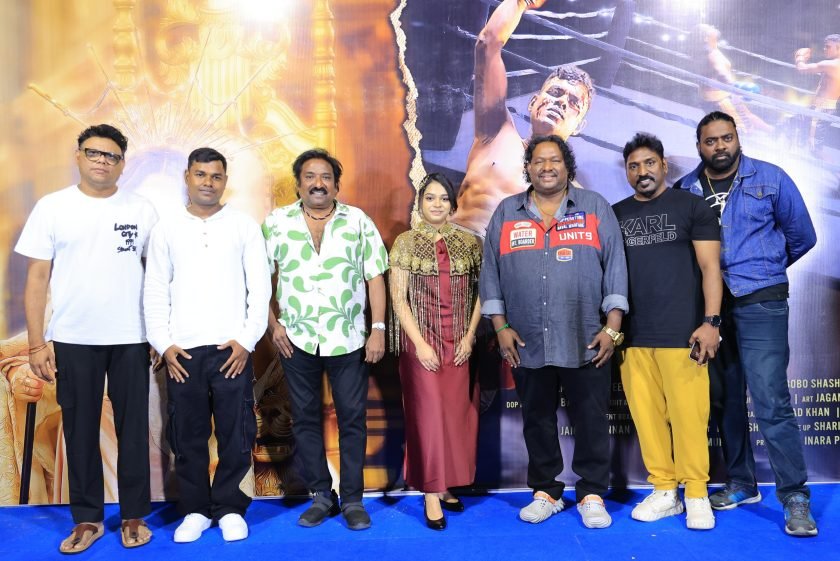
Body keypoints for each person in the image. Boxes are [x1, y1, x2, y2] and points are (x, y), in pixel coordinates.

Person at [674, 111, 818, 537]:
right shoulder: (685, 189)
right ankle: (741, 483)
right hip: (710, 310)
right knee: (724, 399)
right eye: (710, 141)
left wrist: (764, 269)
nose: (719, 146)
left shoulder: (771, 178)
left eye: (726, 138)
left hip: (761, 302)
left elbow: (803, 236)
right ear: (699, 146)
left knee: (771, 400)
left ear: (738, 138)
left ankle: (794, 497)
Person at [15, 124, 158, 552]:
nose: (102, 161)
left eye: (111, 156)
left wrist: (159, 332)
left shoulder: (142, 209)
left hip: (132, 335)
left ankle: (133, 515)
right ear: (78, 156)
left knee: (134, 429)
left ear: (122, 164)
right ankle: (87, 520)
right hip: (73, 337)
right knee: (78, 430)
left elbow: (157, 277)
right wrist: (37, 343)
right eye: (94, 153)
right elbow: (36, 279)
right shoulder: (52, 207)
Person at [479, 134, 628, 528]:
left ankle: (592, 492)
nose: (547, 167)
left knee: (591, 418)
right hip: (525, 338)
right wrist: (500, 326)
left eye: (555, 160)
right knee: (537, 418)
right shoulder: (507, 212)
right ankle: (546, 491)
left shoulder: (594, 207)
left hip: (587, 337)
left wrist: (613, 327)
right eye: (539, 161)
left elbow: (615, 267)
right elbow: (490, 272)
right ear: (528, 168)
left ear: (567, 167)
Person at [143, 147, 270, 542]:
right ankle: (195, 510)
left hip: (232, 349)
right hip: (182, 352)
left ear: (225, 181)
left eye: (216, 176)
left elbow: (260, 288)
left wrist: (246, 340)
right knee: (187, 436)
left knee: (237, 434)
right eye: (201, 174)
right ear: (187, 177)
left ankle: (231, 508)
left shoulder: (243, 226)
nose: (208, 183)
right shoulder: (167, 228)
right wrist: (164, 343)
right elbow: (154, 289)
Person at [264, 148, 388, 531]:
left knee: (352, 418)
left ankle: (352, 499)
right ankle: (321, 495)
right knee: (304, 419)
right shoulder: (276, 223)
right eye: (310, 176)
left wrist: (378, 328)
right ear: (298, 183)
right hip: (295, 338)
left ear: (336, 184)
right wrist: (272, 325)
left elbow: (375, 277)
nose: (318, 184)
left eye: (325, 177)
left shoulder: (358, 221)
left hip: (348, 338)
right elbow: (257, 279)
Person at [612, 133, 722, 530]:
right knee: (647, 419)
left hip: (684, 335)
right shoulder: (615, 214)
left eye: (649, 163)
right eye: (634, 166)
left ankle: (696, 493)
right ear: (627, 172)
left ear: (664, 165)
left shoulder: (692, 206)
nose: (642, 171)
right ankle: (664, 490)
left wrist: (711, 323)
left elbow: (711, 268)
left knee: (690, 418)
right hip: (634, 337)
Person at [450, 0, 594, 236]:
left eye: (573, 103)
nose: (561, 102)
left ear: (579, 126)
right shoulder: (497, 132)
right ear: (532, 102)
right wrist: (521, 2)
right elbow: (487, 44)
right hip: (453, 246)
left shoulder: (574, 195)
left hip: (507, 258)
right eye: (555, 92)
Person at [388, 173, 482, 530]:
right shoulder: (405, 243)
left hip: (459, 344)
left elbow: (482, 294)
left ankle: (444, 485)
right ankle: (430, 491)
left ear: (453, 204)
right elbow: (399, 300)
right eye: (430, 197)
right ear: (420, 202)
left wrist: (469, 337)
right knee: (427, 418)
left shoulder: (470, 243)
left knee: (454, 416)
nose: (437, 204)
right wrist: (420, 344)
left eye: (444, 198)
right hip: (421, 345)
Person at [690, 24, 772, 134]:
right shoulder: (710, 54)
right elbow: (720, 72)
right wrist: (734, 86)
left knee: (747, 117)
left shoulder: (708, 50)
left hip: (722, 94)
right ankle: (769, 134)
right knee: (740, 128)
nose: (713, 27)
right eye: (710, 28)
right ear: (705, 37)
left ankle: (773, 131)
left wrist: (733, 88)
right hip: (720, 99)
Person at [794, 34, 840, 157]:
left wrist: (800, 56)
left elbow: (802, 68)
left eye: (828, 47)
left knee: (814, 148)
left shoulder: (831, 65)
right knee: (797, 132)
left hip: (821, 109)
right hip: (820, 107)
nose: (825, 49)